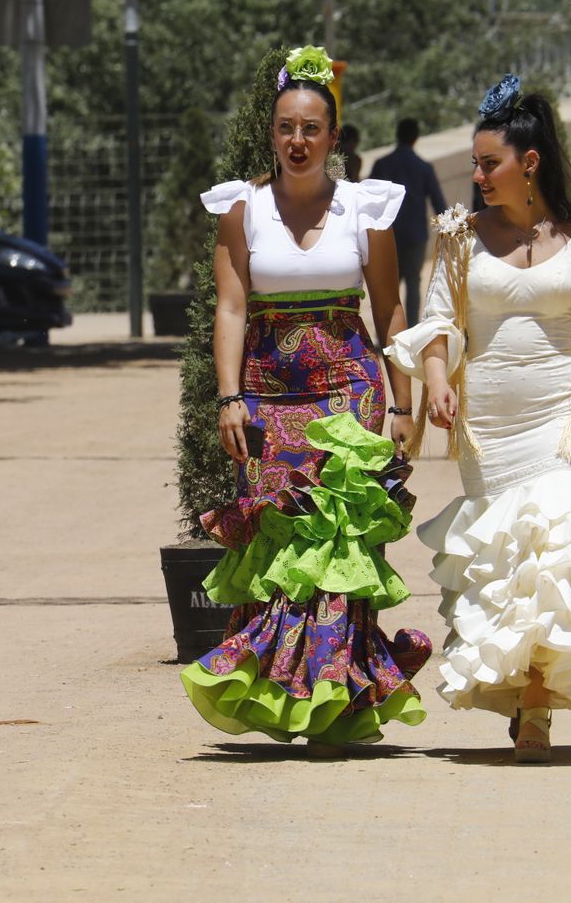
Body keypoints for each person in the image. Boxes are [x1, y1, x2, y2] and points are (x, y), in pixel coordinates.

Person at [387, 76, 571, 763]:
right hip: (489, 425)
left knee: (556, 542)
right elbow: (438, 320)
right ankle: (518, 688)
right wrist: (437, 381)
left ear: (529, 164)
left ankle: (537, 708)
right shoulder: (457, 237)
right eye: (474, 164)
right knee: (509, 563)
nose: (477, 177)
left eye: (488, 163)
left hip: (561, 416)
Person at [179, 46, 430, 752]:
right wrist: (227, 397)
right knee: (284, 543)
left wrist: (403, 404)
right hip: (266, 394)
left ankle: (341, 696)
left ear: (333, 137)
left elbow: (389, 308)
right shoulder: (241, 209)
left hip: (350, 391)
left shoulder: (367, 208)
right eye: (286, 127)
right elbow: (231, 307)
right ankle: (287, 693)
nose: (297, 141)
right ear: (272, 133)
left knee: (343, 543)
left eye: (311, 128)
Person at [373, 117, 448, 322]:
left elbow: (369, 202)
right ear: (416, 138)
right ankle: (413, 328)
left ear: (397, 135)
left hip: (387, 236)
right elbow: (439, 203)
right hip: (415, 235)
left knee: (389, 286)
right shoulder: (423, 167)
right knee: (414, 284)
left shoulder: (382, 165)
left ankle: (387, 332)